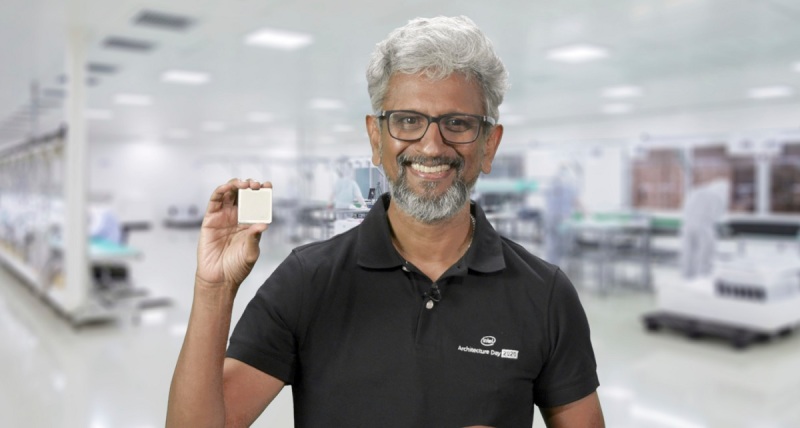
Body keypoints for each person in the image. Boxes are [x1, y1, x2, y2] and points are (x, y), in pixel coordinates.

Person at [167, 16, 603, 428]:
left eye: (457, 123)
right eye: (408, 121)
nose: (432, 146)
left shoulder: (545, 295)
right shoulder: (307, 282)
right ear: (376, 138)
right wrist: (214, 290)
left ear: (489, 145)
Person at [680, 178, 730, 278]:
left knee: (688, 252)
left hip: (687, 226)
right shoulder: (717, 197)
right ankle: (703, 276)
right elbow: (717, 216)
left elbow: (685, 207)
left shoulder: (698, 192)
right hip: (703, 227)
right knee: (705, 253)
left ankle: (687, 275)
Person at [543, 163, 581, 267]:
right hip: (559, 219)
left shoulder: (554, 184)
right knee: (557, 244)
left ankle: (553, 266)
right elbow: (575, 201)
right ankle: (556, 266)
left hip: (555, 217)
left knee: (554, 244)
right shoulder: (566, 185)